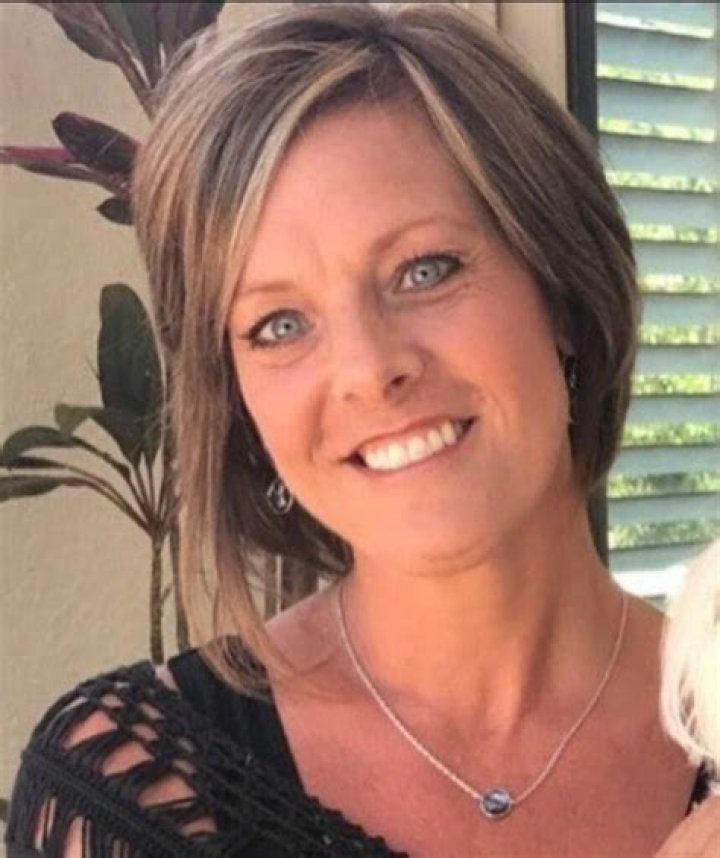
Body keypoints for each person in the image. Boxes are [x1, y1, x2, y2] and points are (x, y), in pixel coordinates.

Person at [5, 3, 717, 855]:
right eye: (278, 324)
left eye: (424, 270)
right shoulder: (128, 789)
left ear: (560, 288)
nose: (369, 369)